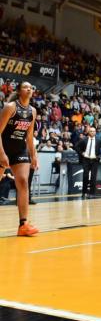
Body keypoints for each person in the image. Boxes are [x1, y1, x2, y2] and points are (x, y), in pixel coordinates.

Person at [0, 82, 39, 236]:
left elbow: (29, 136)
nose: (29, 89)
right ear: (19, 91)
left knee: (23, 181)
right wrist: (2, 154)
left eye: (31, 87)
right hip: (3, 147)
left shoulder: (33, 111)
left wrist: (33, 155)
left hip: (19, 150)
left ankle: (23, 225)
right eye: (25, 87)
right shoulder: (10, 107)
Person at [75, 126, 101, 199]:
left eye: (94, 131)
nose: (92, 132)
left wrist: (100, 156)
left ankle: (92, 193)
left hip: (94, 160)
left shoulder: (99, 140)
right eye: (91, 131)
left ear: (95, 132)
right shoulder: (84, 139)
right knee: (85, 176)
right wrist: (81, 153)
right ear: (88, 132)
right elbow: (76, 146)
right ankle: (84, 193)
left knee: (93, 177)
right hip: (86, 160)